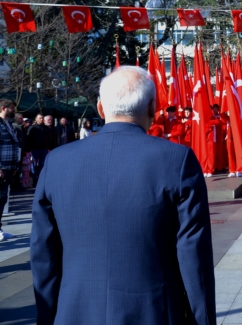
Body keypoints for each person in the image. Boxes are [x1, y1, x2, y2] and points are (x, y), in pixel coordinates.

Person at [31, 66, 216, 324]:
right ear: (153, 107)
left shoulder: (57, 162)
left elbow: (44, 255)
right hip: (154, 313)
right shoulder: (177, 160)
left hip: (75, 312)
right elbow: (194, 256)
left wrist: (46, 317)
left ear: (100, 108)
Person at [0, 99, 21, 241]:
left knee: (3, 198)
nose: (14, 110)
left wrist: (14, 166)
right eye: (11, 108)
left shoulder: (8, 124)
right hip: (2, 167)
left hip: (9, 166)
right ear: (3, 108)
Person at [27, 114, 51, 186]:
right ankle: (35, 179)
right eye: (40, 118)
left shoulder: (46, 128)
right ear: (36, 119)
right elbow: (29, 139)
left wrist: (49, 147)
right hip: (35, 149)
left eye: (42, 118)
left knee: (42, 164)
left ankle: (40, 179)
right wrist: (29, 149)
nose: (41, 119)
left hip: (44, 148)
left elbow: (49, 138)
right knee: (34, 165)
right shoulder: (32, 128)